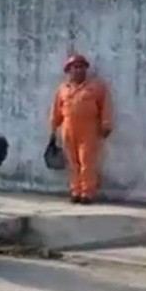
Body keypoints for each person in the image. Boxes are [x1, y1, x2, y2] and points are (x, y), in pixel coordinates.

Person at [49, 54, 113, 204]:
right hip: (68, 129)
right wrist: (53, 128)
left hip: (88, 129)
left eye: (81, 67)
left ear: (86, 69)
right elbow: (56, 109)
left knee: (87, 162)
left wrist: (106, 124)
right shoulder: (63, 89)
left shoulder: (96, 87)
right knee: (72, 162)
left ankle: (87, 193)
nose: (78, 70)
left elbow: (106, 107)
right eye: (74, 67)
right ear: (69, 70)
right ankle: (75, 191)